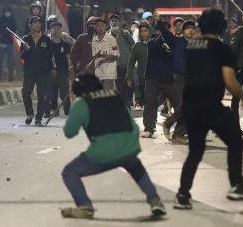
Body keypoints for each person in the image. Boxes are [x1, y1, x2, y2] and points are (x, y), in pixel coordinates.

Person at [174, 9, 243, 209]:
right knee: (235, 141)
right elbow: (230, 81)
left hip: (190, 105)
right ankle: (236, 185)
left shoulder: (191, 46)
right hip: (210, 105)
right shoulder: (221, 49)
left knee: (195, 151)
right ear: (221, 27)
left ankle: (182, 194)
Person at [60, 73, 166, 219]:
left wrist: (74, 106)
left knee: (69, 172)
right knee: (136, 168)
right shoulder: (115, 96)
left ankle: (85, 206)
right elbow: (132, 124)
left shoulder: (82, 104)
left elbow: (69, 132)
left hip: (103, 153)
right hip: (129, 146)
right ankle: (155, 200)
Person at [141, 20, 180, 139]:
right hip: (153, 78)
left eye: (167, 30)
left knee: (179, 104)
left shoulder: (175, 42)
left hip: (169, 79)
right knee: (150, 103)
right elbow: (155, 46)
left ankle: (179, 130)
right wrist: (163, 40)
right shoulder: (152, 42)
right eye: (162, 30)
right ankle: (149, 128)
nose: (164, 33)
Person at [158, 18, 195, 142]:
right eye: (187, 28)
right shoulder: (176, 41)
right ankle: (168, 123)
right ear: (183, 31)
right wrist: (159, 21)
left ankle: (178, 135)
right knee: (183, 105)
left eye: (192, 28)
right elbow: (165, 33)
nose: (190, 31)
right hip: (178, 78)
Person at [20, 16, 55, 126]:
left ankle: (39, 118)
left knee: (42, 95)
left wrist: (52, 69)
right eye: (34, 23)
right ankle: (29, 113)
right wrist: (26, 50)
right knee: (26, 93)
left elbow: (50, 56)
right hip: (29, 71)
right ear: (29, 25)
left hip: (43, 72)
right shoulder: (25, 39)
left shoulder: (46, 39)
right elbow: (23, 57)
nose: (37, 24)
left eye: (39, 23)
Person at [47, 21, 72, 116]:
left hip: (63, 71)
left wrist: (70, 69)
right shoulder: (47, 44)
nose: (56, 31)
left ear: (61, 30)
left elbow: (68, 58)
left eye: (58, 29)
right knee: (52, 91)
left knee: (64, 92)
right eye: (54, 29)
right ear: (51, 30)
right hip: (51, 71)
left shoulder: (65, 44)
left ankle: (67, 109)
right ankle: (54, 109)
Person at [109, 15, 135, 105]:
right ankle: (124, 101)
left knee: (129, 83)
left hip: (126, 63)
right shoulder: (107, 35)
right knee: (119, 85)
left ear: (119, 23)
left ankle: (130, 100)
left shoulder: (125, 33)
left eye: (115, 21)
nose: (113, 22)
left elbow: (133, 45)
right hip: (115, 65)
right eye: (112, 21)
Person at [127, 22, 152, 110]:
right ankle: (138, 103)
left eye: (146, 31)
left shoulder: (154, 44)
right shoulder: (137, 46)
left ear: (149, 32)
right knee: (139, 86)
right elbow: (131, 62)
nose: (144, 33)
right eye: (141, 31)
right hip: (141, 74)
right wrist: (129, 76)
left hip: (153, 75)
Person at [91, 18, 119, 90]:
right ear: (95, 27)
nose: (100, 28)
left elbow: (115, 55)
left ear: (106, 27)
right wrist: (90, 63)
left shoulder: (111, 39)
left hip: (109, 73)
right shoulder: (94, 39)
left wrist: (103, 56)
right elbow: (95, 55)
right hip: (99, 73)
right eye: (98, 26)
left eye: (102, 26)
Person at [0, 6, 17, 81]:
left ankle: (11, 76)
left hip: (10, 43)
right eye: (6, 12)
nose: (7, 13)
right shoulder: (0, 20)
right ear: (3, 12)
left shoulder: (13, 20)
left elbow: (15, 30)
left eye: (8, 11)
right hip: (1, 43)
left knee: (10, 61)